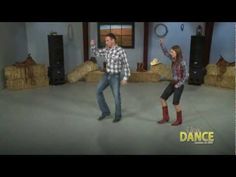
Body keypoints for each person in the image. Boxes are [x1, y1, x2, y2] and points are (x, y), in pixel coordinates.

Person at [90, 33, 131, 123]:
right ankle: (105, 112)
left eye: (107, 40)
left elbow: (126, 64)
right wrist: (93, 45)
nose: (106, 42)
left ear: (113, 40)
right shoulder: (106, 50)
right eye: (105, 41)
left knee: (116, 96)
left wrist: (126, 77)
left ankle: (118, 115)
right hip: (106, 75)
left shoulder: (120, 51)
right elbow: (96, 53)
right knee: (98, 91)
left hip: (115, 76)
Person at [158, 38, 188, 126]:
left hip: (179, 84)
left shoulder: (182, 62)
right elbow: (165, 52)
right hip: (173, 82)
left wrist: (178, 85)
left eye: (172, 52)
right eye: (171, 52)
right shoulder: (172, 58)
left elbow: (186, 75)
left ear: (177, 53)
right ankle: (166, 117)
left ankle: (179, 120)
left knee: (175, 103)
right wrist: (162, 44)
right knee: (162, 99)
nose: (170, 53)